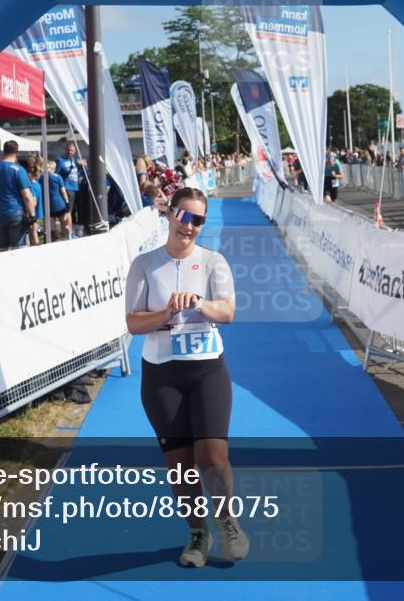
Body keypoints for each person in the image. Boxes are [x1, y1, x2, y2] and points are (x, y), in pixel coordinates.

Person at [124, 187, 247, 568]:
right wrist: (165, 313)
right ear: (171, 215)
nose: (191, 227)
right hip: (162, 376)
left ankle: (226, 519)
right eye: (186, 217)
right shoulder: (145, 264)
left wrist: (197, 303)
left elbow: (227, 312)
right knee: (179, 465)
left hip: (207, 369)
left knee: (212, 457)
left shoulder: (213, 262)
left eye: (199, 221)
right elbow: (132, 322)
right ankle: (197, 532)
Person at [0, 140, 37, 251]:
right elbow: (27, 196)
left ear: (3, 151)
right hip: (15, 212)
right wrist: (32, 216)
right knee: (19, 249)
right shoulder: (18, 170)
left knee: (1, 249)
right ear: (17, 153)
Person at [55, 142, 84, 237]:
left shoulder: (74, 159)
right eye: (68, 150)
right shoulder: (61, 160)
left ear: (74, 151)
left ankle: (70, 231)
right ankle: (68, 232)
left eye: (71, 150)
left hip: (75, 188)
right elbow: (60, 171)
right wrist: (68, 170)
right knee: (68, 211)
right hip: (66, 188)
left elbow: (82, 165)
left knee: (73, 211)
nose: (69, 152)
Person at [46, 161, 70, 240]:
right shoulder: (58, 177)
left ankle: (56, 240)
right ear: (54, 168)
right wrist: (67, 203)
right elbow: (63, 191)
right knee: (64, 224)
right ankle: (68, 238)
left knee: (53, 228)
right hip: (59, 204)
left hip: (48, 205)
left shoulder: (43, 177)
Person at [26, 157, 44, 247]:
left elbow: (34, 202)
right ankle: (34, 244)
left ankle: (35, 245)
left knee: (33, 230)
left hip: (33, 211)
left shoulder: (31, 186)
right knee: (33, 229)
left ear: (30, 174)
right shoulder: (37, 184)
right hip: (38, 211)